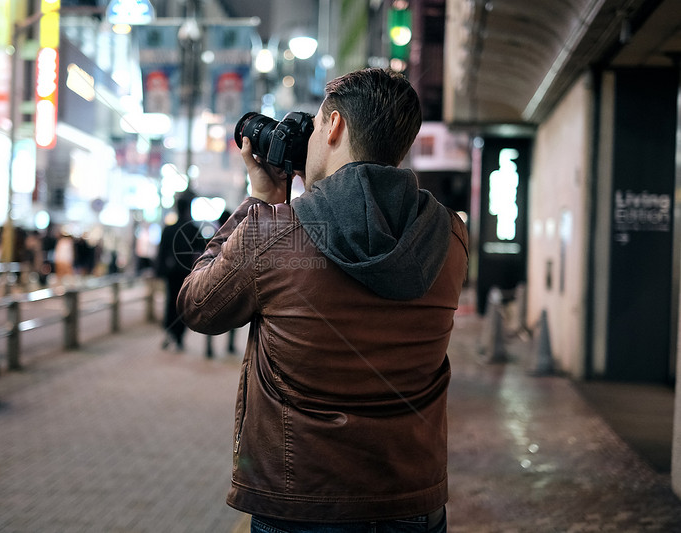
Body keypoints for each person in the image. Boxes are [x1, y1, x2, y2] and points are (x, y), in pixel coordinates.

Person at [177, 68, 468, 531]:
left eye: (313, 126)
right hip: (413, 500)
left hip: (303, 504)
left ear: (334, 127)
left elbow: (197, 305)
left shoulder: (273, 232)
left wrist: (262, 202)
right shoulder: (450, 236)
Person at [156, 192, 206, 351]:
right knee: (184, 304)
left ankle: (171, 332)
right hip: (187, 274)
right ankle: (178, 335)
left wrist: (160, 271)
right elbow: (203, 251)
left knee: (171, 301)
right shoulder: (193, 229)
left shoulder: (169, 230)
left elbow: (161, 253)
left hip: (171, 273)